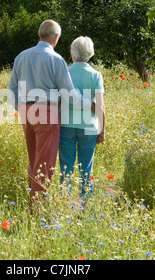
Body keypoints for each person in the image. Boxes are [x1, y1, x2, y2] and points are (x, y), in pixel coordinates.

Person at [7, 20, 95, 214]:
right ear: (56, 37)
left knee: (34, 160)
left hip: (27, 112)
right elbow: (69, 95)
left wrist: (21, 107)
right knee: (45, 163)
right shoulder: (56, 60)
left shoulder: (21, 56)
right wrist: (91, 104)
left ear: (40, 34)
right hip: (47, 112)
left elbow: (11, 90)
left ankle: (33, 204)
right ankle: (36, 211)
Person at [58, 36, 105, 200]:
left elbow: (58, 100)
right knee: (87, 167)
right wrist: (102, 130)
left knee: (66, 166)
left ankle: (64, 201)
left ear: (73, 52)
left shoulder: (64, 72)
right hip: (89, 125)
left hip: (66, 124)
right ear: (90, 53)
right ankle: (86, 202)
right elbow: (100, 106)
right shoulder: (96, 75)